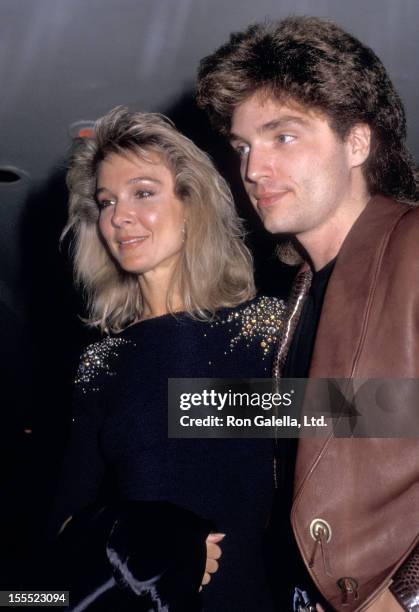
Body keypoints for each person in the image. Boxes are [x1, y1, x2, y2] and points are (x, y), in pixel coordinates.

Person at [197, 16, 419, 612]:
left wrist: (403, 591)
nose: (251, 169)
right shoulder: (299, 296)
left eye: (282, 137)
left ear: (357, 143)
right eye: (243, 146)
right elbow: (358, 418)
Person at [51, 106, 286, 610]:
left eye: (143, 192)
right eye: (107, 201)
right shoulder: (101, 365)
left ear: (191, 202)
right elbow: (68, 523)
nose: (119, 216)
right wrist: (152, 545)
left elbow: (377, 427)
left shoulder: (264, 330)